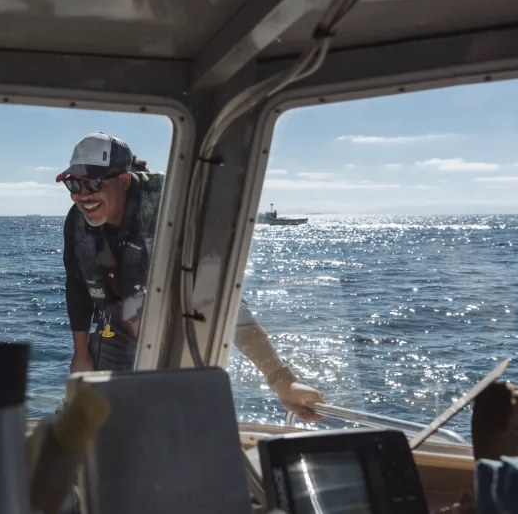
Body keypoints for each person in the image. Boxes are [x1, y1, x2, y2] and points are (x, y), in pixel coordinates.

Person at [58, 132, 325, 422]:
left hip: (172, 331)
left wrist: (281, 379)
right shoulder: (77, 221)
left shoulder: (172, 205)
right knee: (79, 425)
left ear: (123, 180)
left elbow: (219, 295)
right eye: (74, 185)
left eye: (94, 184)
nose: (82, 195)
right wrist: (81, 355)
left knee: (164, 428)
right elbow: (77, 289)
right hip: (115, 332)